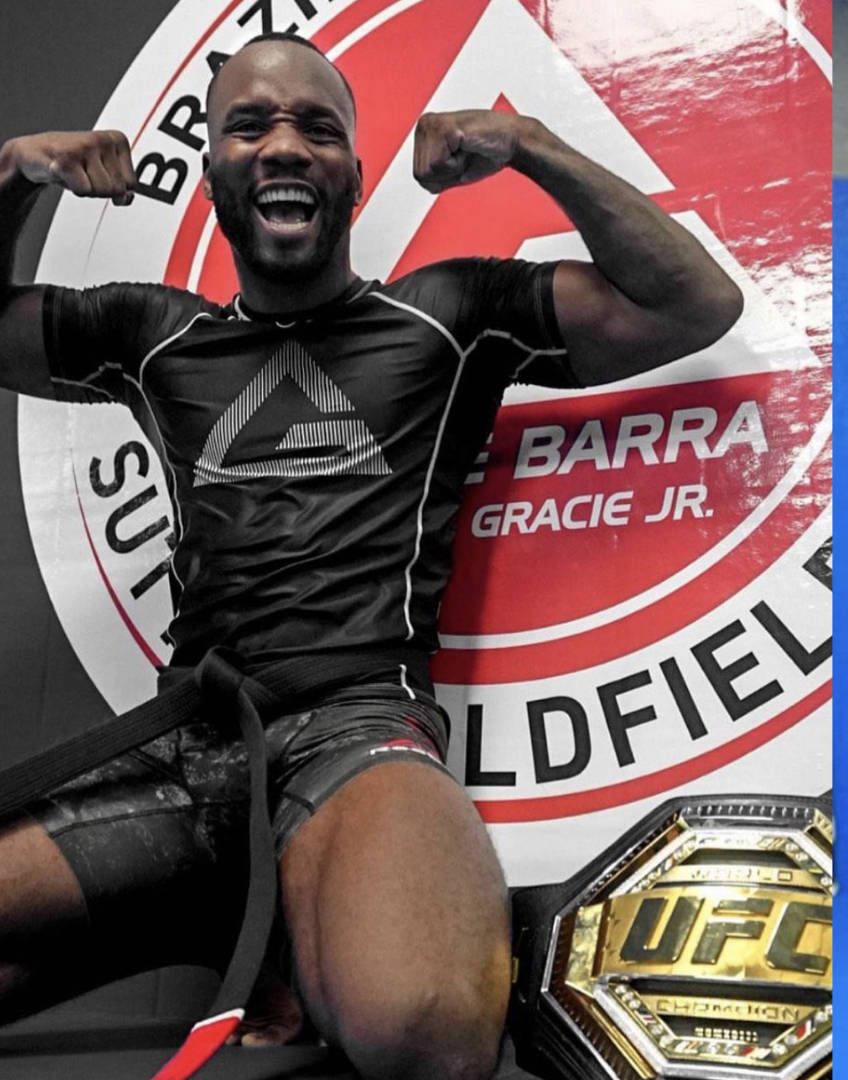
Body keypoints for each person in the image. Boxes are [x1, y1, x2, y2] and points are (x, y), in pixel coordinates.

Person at [0, 31, 741, 1080]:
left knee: (425, 1024)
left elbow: (693, 302)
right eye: (250, 125)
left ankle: (283, 912)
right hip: (191, 752)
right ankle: (223, 910)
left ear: (353, 170)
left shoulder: (449, 315)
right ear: (211, 167)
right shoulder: (151, 332)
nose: (285, 146)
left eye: (318, 128)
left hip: (358, 736)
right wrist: (14, 175)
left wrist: (530, 145)